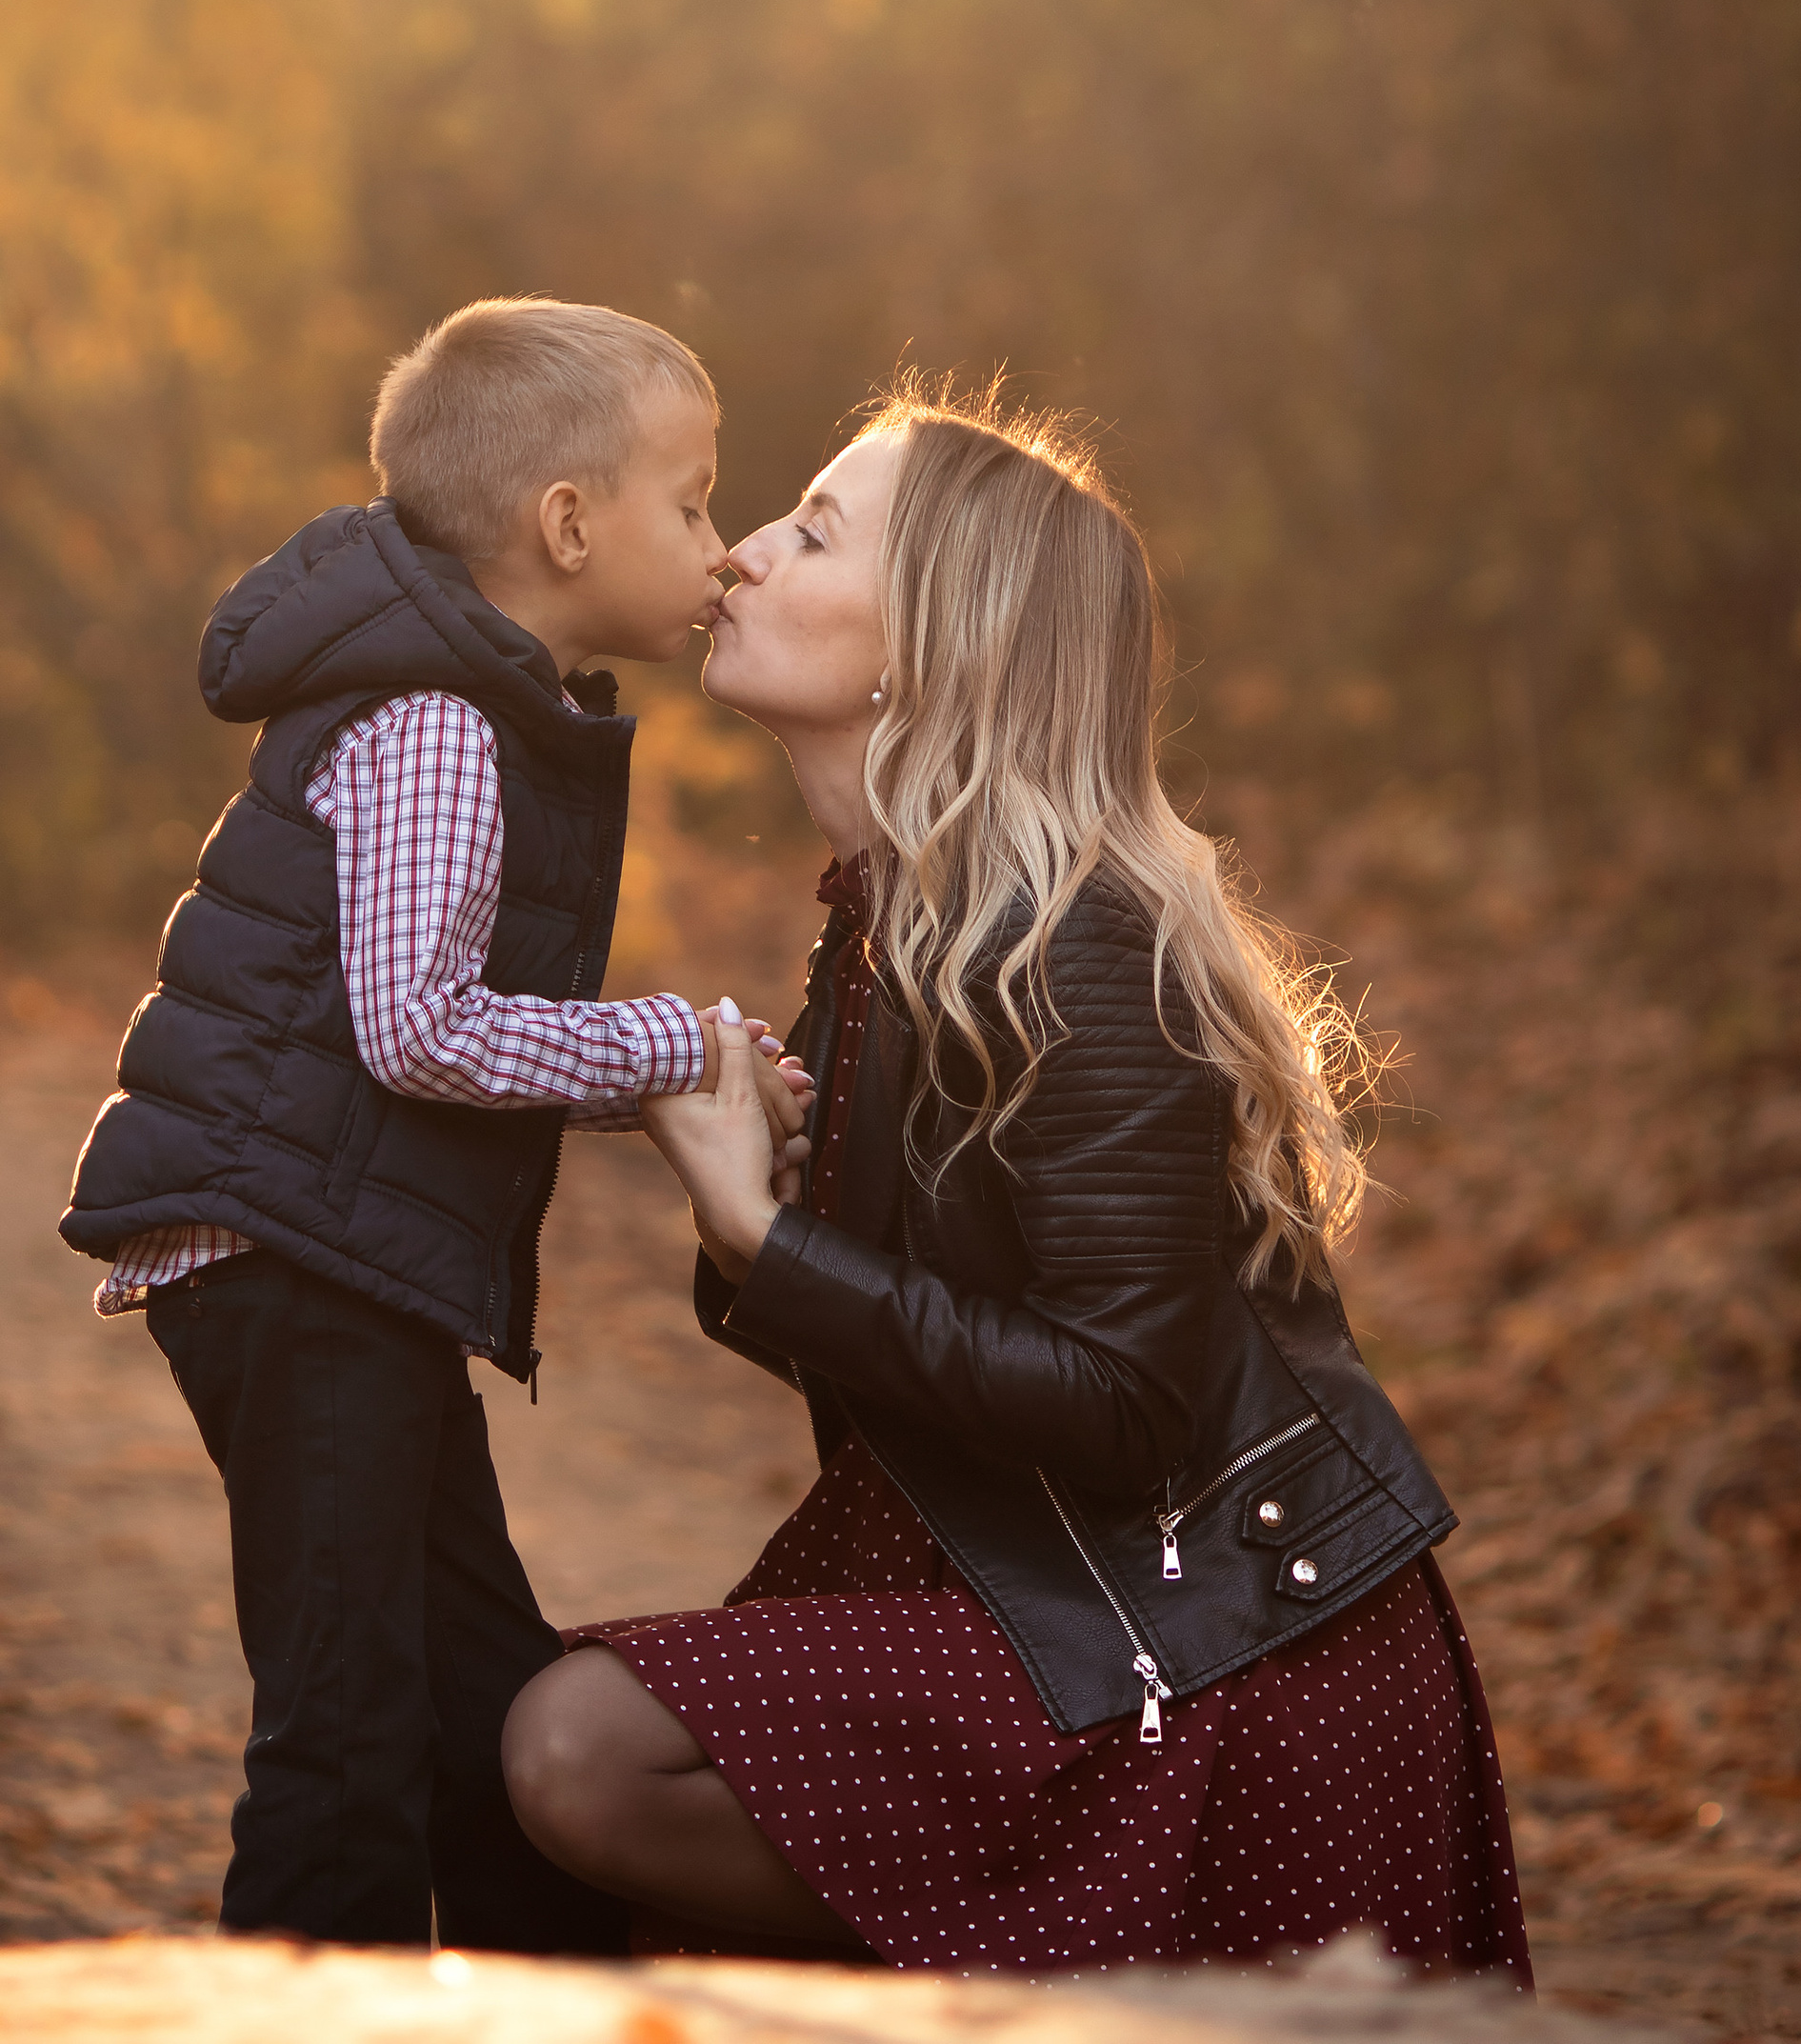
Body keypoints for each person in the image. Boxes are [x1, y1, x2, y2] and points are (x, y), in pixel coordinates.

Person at [503, 381, 1531, 1980]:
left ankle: (1024, 1971)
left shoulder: (1082, 946)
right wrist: (760, 1218)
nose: (746, 555)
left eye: (814, 527)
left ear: (936, 640)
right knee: (564, 1791)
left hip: (1221, 1664)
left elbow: (1122, 1400)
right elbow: (913, 1321)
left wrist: (758, 1235)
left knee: (581, 1753)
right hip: (1043, 1582)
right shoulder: (892, 929)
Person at [59, 296, 810, 1953]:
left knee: (475, 1687)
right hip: (294, 1259)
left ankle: (563, 1989)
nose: (723, 548)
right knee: (347, 1726)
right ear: (565, 525)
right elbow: (419, 1032)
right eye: (691, 504)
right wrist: (669, 1053)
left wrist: (679, 1061)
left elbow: (411, 1025)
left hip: (337, 1261)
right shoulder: (442, 725)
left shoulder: (470, 700)